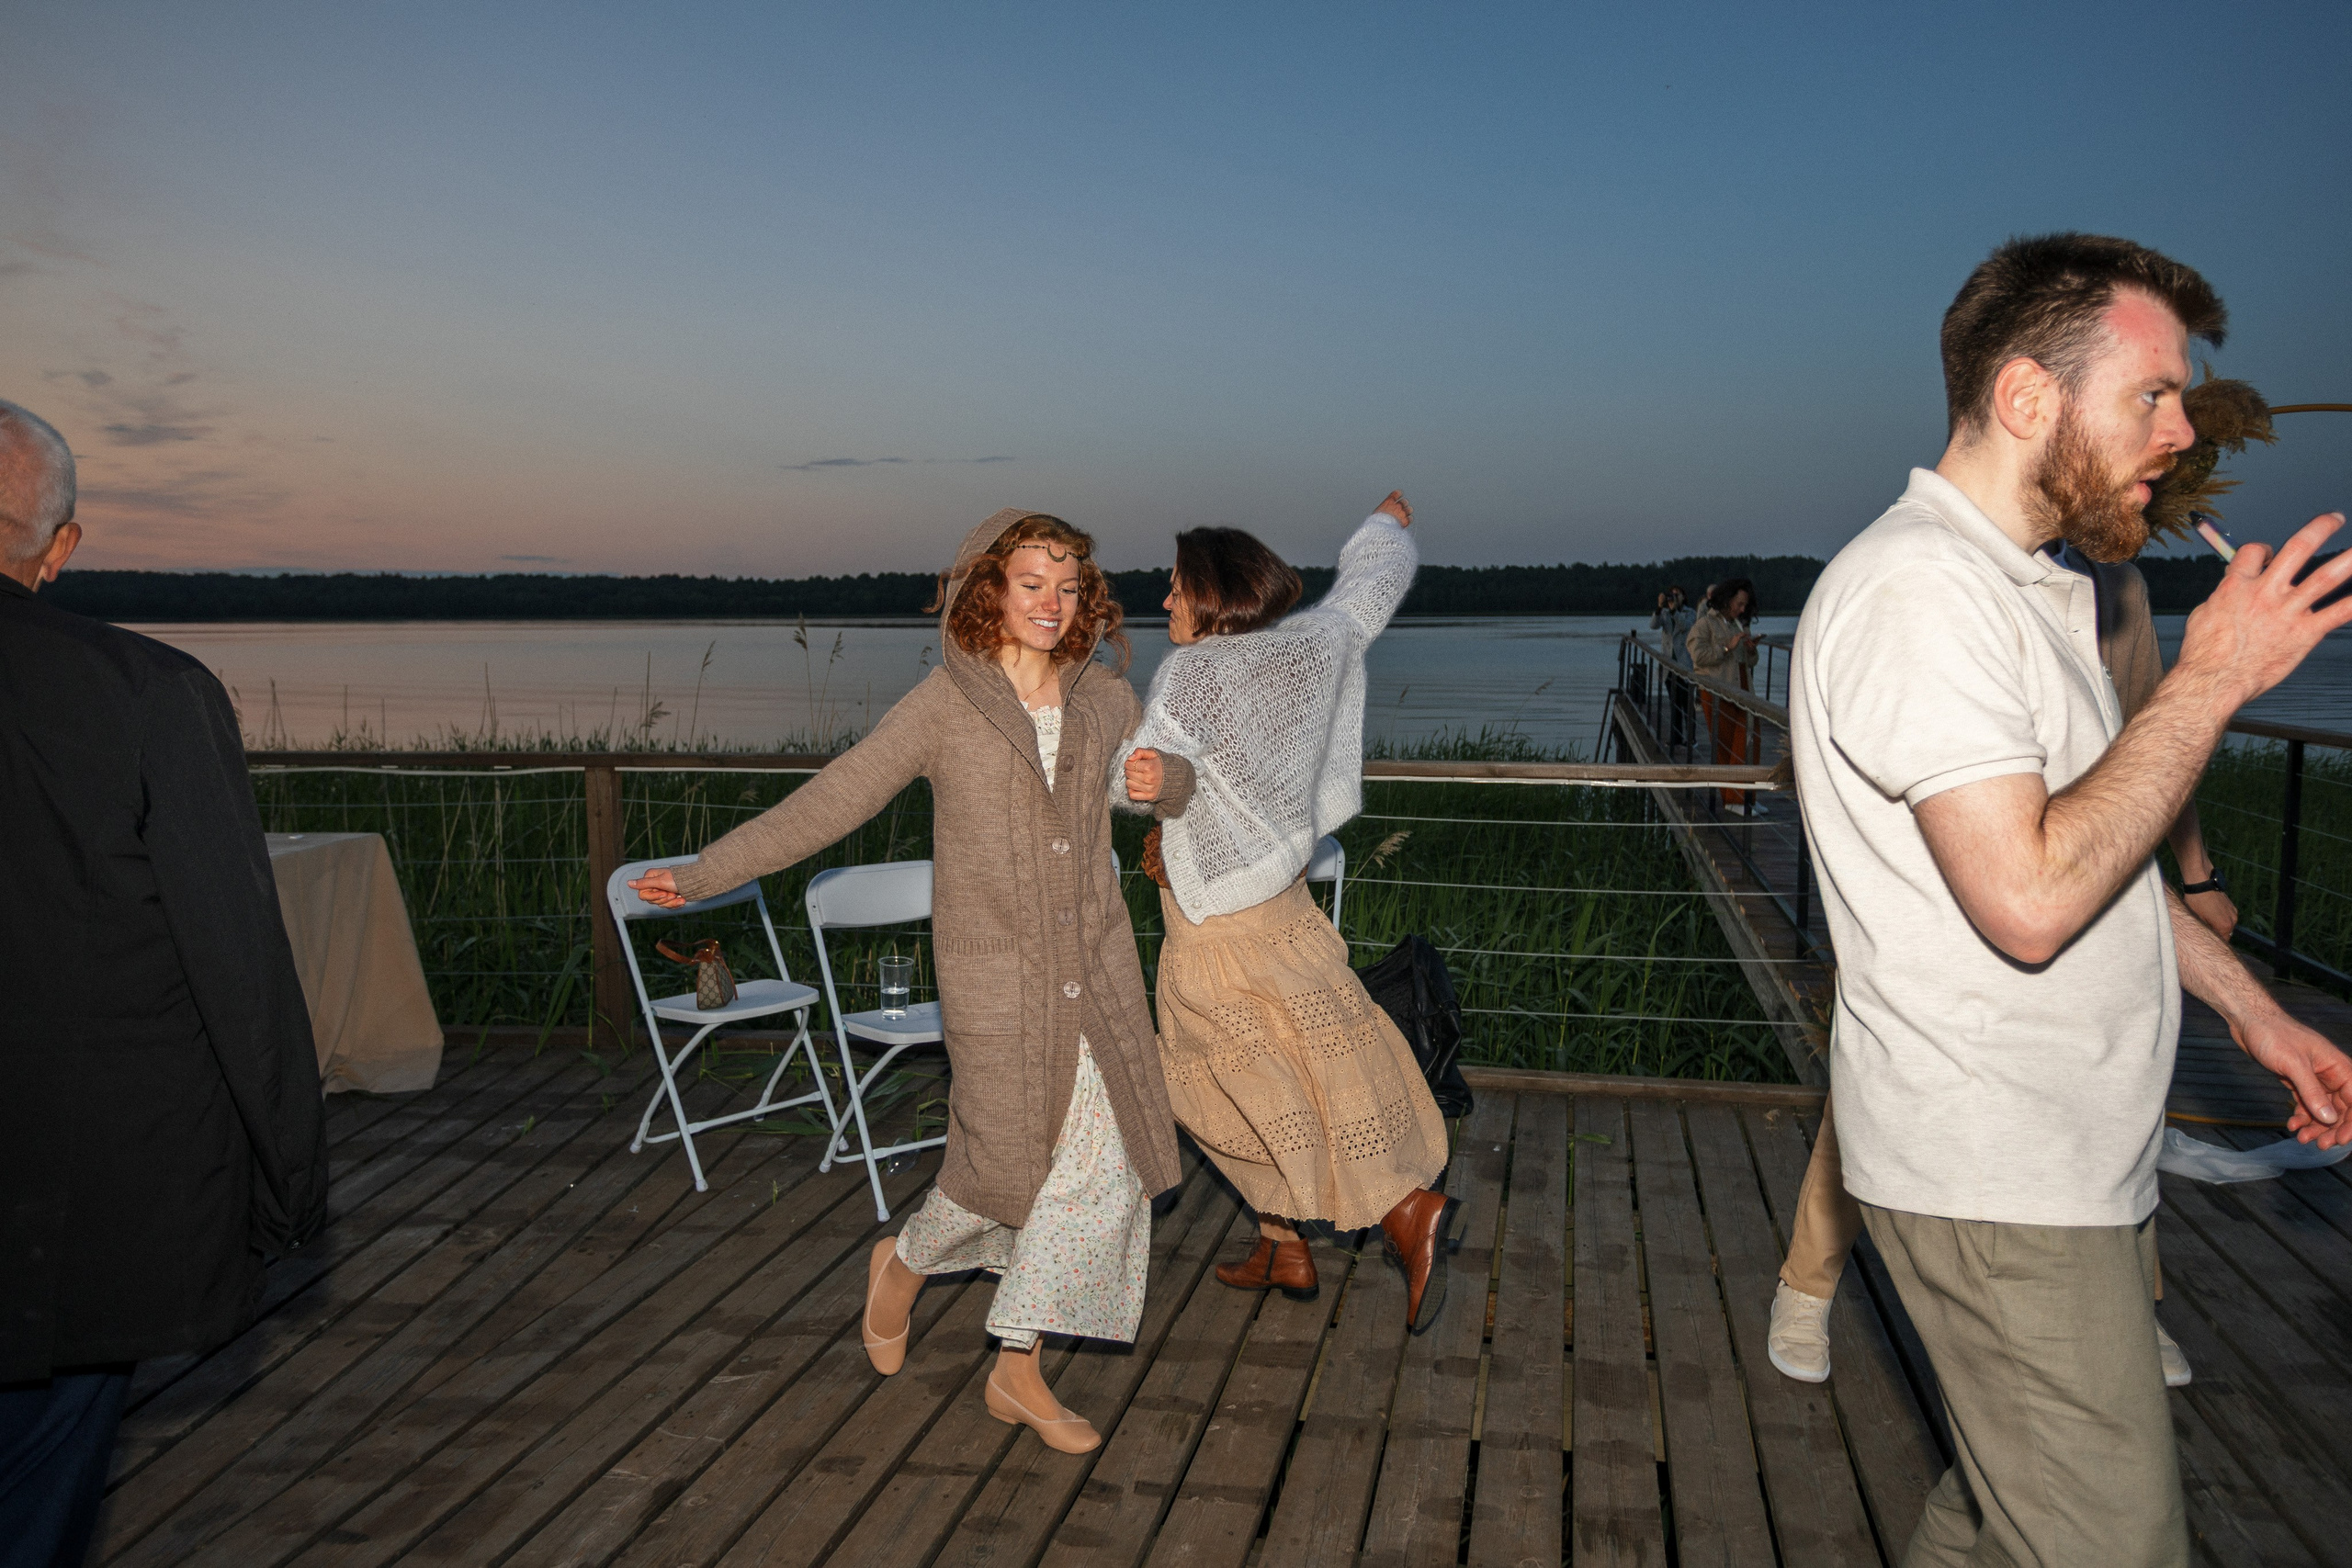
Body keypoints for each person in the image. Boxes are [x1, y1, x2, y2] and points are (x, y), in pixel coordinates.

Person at [1791, 232, 2352, 1566]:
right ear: (2029, 398)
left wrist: (2253, 1013)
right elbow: (2032, 899)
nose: (2182, 429)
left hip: (2061, 1163)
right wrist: (2209, 681)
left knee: (1998, 1519)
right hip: (1997, 1177)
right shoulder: (1920, 591)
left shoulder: (2029, 585)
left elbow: (2089, 853)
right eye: (2153, 395)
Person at [628, 509, 1182, 1456]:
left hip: (1097, 975)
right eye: (1032, 584)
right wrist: (709, 869)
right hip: (999, 988)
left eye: (1068, 586)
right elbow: (835, 799)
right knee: (994, 1175)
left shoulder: (1106, 702)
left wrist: (1160, 780)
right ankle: (901, 1262)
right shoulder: (943, 707)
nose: (1052, 604)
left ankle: (1017, 1371)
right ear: (990, 593)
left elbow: (1173, 785)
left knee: (1099, 1166)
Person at [1768, 543, 2238, 1390]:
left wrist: (2195, 874)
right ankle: (1806, 1283)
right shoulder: (1945, 575)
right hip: (1962, 867)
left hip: (2091, 871)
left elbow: (2161, 757)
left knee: (2120, 1090)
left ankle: (2136, 1303)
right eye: (2147, 401)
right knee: (1879, 1071)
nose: (2164, 445)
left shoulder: (2120, 594)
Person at [0, 399, 330, 1567]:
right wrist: (290, 1187)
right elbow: (237, 962)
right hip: (66, 1220)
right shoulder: (146, 693)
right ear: (59, 544)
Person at [1115, 492, 1457, 1332]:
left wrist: (1113, 758)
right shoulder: (1310, 644)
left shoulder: (1194, 673)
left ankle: (1403, 1211)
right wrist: (1386, 530)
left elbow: (1142, 774)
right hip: (1286, 904)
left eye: (1173, 587)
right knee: (1299, 1061)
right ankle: (1284, 1244)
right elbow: (1363, 594)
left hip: (1215, 933)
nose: (1164, 602)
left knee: (1215, 1086)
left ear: (1211, 592)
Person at [1688, 578, 1759, 809]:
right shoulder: (1705, 624)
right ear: (1727, 600)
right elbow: (1698, 656)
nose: (1742, 609)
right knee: (1725, 745)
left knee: (1751, 740)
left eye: (1745, 605)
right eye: (1739, 604)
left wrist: (1750, 650)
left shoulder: (1739, 625)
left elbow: (1752, 661)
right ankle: (1733, 799)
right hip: (1719, 690)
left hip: (1743, 687)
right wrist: (1727, 647)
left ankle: (1747, 797)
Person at [1649, 585, 1696, 751]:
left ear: (1684, 597)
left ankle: (1691, 739)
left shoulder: (1690, 613)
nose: (1674, 598)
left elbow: (1685, 626)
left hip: (1684, 664)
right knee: (1674, 703)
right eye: (1672, 595)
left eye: (1677, 595)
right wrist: (1659, 607)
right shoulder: (1664, 612)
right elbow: (1653, 625)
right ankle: (1676, 737)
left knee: (1687, 704)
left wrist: (1674, 611)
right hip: (1669, 665)